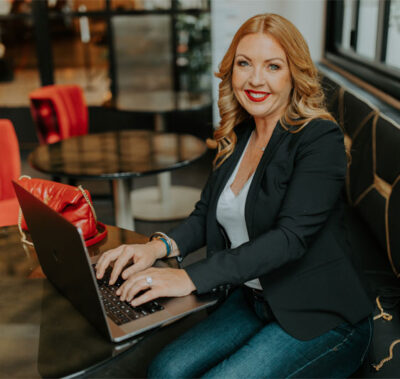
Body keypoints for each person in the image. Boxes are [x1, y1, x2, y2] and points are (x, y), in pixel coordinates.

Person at [96, 13, 374, 378]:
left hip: (320, 313)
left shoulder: (319, 139)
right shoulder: (239, 134)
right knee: (165, 370)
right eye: (245, 64)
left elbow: (289, 239)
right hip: (254, 298)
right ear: (232, 71)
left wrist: (189, 278)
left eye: (273, 66)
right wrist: (155, 248)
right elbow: (205, 213)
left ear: (295, 75)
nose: (256, 79)